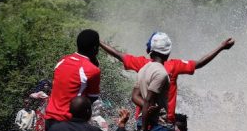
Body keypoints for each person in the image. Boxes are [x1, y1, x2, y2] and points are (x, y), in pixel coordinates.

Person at [99, 33, 235, 125]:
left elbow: (118, 55)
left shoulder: (142, 64)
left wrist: (98, 41)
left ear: (150, 49)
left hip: (143, 119)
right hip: (165, 121)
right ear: (168, 52)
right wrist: (221, 47)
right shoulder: (174, 66)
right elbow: (199, 63)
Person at [44, 30, 102, 131]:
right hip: (68, 122)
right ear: (95, 48)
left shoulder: (62, 61)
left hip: (49, 119)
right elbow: (91, 99)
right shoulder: (92, 70)